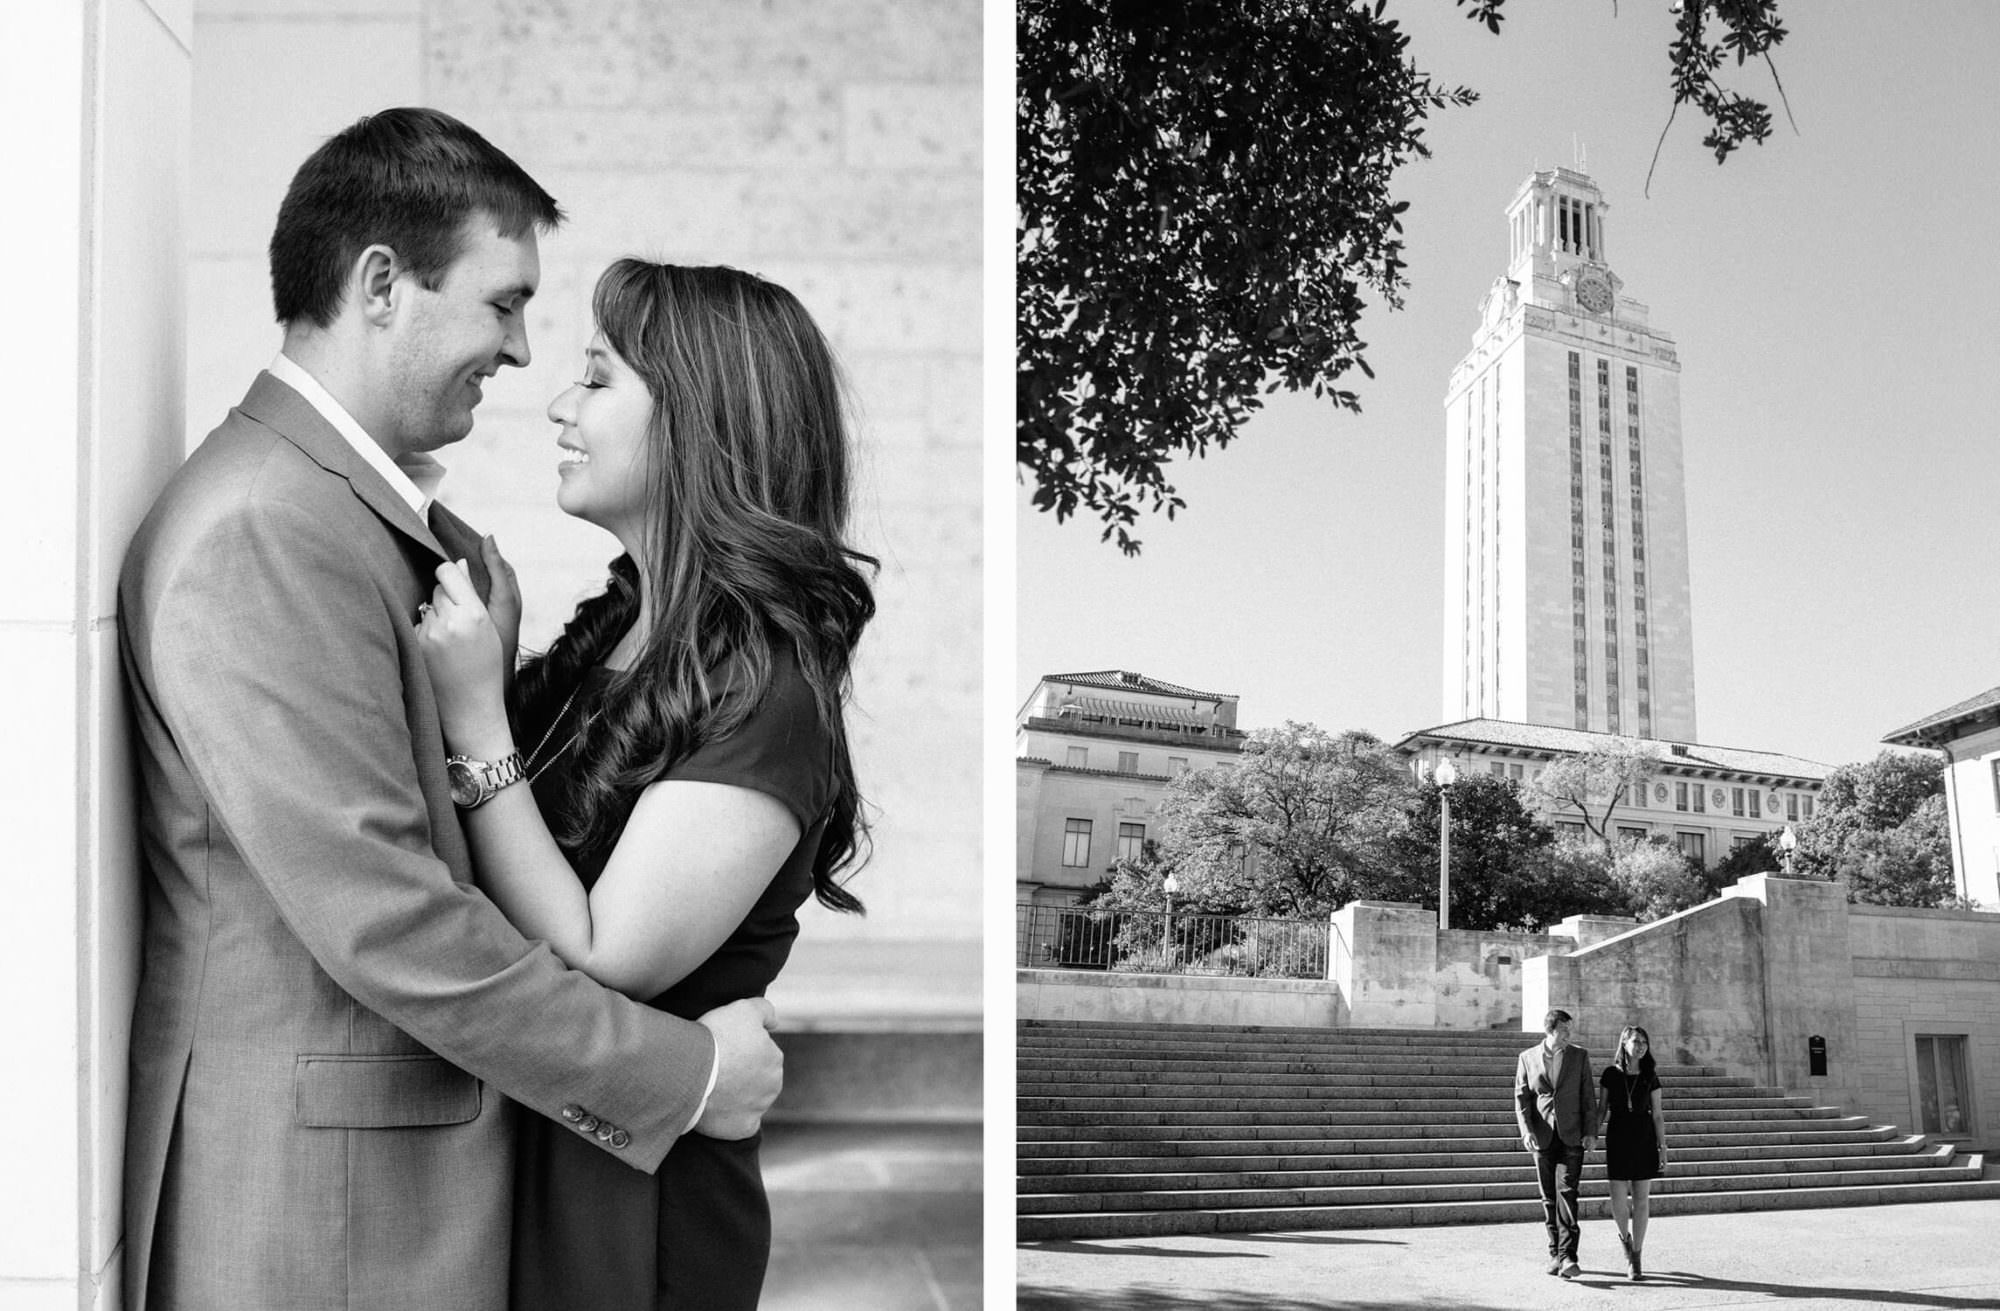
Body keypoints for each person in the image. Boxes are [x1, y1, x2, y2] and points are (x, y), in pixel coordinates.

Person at [118, 109, 785, 1311]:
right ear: (382, 285)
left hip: (409, 1200)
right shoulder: (265, 528)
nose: (523, 354)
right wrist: (678, 1080)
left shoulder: (346, 523)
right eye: (502, 302)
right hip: (318, 1219)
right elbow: (385, 915)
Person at [416, 258, 876, 1309]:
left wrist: (478, 717)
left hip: (636, 1209)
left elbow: (599, 952)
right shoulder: (620, 636)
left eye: (597, 377)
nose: (558, 406)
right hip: (551, 1143)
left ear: (698, 425)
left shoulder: (766, 689)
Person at [1515, 1008, 1599, 1279]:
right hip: (1542, 1136)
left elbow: (1588, 1096)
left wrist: (1591, 1132)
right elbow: (1522, 1099)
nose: (1568, 1036)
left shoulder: (1579, 1055)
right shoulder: (1527, 1058)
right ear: (1550, 1031)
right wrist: (1526, 1130)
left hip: (1572, 1134)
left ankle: (1568, 1256)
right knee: (1549, 1198)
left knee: (1568, 1194)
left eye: (1569, 1031)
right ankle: (1555, 1253)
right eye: (1564, 1031)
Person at [1599, 1023, 1668, 1280]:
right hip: (1618, 1137)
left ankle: (1636, 1255)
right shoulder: (1610, 1074)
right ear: (1624, 1043)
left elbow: (1658, 1115)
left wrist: (1663, 1148)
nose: (1640, 1046)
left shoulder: (1651, 1076)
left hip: (1644, 1138)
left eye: (1644, 1042)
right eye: (1636, 1041)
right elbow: (1601, 1109)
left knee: (1641, 1200)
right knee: (1618, 1200)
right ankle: (1624, 1240)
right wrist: (1592, 1134)